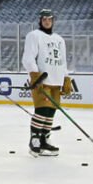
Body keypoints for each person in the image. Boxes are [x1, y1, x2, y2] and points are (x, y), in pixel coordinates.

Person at [22, 8, 72, 157]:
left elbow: (62, 61)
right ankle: (35, 140)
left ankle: (45, 140)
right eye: (44, 19)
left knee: (51, 112)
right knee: (42, 110)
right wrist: (35, 75)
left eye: (49, 19)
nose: (47, 21)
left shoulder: (59, 39)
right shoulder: (34, 35)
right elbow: (28, 58)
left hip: (57, 81)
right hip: (42, 81)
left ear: (53, 21)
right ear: (40, 20)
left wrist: (66, 78)